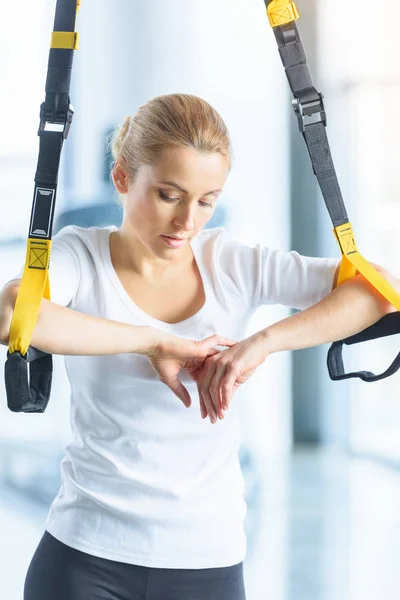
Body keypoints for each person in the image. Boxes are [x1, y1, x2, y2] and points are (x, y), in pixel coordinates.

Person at [0, 93, 398, 600]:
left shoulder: (231, 262)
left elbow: (379, 293)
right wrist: (154, 342)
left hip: (206, 563)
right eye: (169, 194)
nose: (188, 221)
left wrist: (263, 343)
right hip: (84, 559)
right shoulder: (80, 255)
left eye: (207, 201)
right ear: (122, 178)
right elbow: (13, 313)